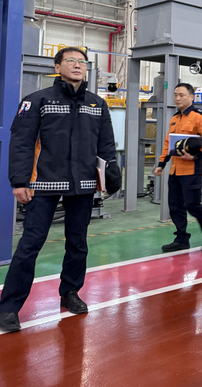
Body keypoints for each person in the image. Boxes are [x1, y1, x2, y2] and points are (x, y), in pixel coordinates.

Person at [0, 47, 117, 333]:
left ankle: (70, 292)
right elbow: (22, 142)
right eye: (71, 61)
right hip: (44, 183)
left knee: (77, 242)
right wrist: (19, 181)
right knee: (30, 244)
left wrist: (111, 174)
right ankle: (9, 306)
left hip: (83, 184)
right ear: (57, 67)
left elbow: (105, 144)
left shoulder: (97, 104)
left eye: (82, 62)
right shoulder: (36, 101)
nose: (77, 65)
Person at [154, 83, 202, 253]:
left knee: (193, 204)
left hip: (191, 170)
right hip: (175, 170)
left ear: (191, 97)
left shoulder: (200, 117)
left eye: (181, 95)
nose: (177, 98)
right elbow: (168, 143)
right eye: (175, 95)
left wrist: (196, 156)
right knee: (175, 206)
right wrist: (161, 164)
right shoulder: (175, 118)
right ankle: (181, 239)